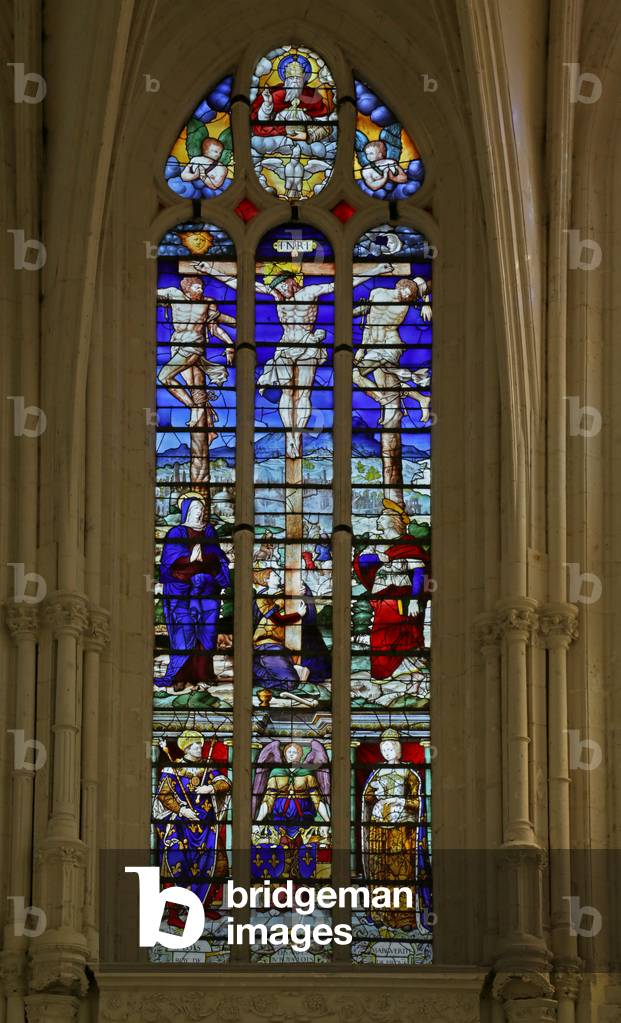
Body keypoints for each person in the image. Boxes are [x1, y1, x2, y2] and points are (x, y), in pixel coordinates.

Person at [153, 730, 231, 914]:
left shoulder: (208, 768)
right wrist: (182, 810)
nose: (200, 747)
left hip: (205, 825)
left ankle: (204, 905)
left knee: (213, 864)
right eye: (196, 744)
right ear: (186, 748)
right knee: (176, 863)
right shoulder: (173, 768)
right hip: (181, 826)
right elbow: (164, 795)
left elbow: (226, 783)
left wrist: (210, 788)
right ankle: (174, 911)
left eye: (200, 744)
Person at [157, 495, 231, 691]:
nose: (200, 511)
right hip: (181, 592)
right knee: (184, 631)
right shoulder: (176, 532)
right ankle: (180, 676)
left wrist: (205, 558)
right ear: (187, 511)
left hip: (207, 591)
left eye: (202, 508)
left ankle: (204, 674)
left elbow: (217, 557)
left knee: (207, 632)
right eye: (196, 508)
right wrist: (191, 557)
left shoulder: (209, 531)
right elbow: (169, 560)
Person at [353, 499, 429, 681]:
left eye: (382, 517)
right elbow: (360, 562)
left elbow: (419, 573)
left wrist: (413, 600)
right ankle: (383, 673)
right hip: (381, 596)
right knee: (379, 636)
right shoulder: (376, 544)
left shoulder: (408, 544)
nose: (378, 519)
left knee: (398, 634)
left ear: (393, 521)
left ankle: (403, 670)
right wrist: (381, 557)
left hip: (399, 597)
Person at [361, 728, 427, 929]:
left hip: (402, 829)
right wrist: (375, 797)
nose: (388, 752)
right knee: (379, 869)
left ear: (399, 749)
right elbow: (367, 799)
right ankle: (380, 914)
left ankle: (404, 917)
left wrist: (401, 802)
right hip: (378, 828)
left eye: (391, 748)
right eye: (384, 749)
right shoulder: (376, 773)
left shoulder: (410, 773)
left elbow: (418, 802)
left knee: (401, 871)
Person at [352, 275, 432, 426]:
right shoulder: (376, 292)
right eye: (407, 292)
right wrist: (361, 350)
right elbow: (369, 324)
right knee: (386, 385)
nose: (408, 297)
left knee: (356, 374)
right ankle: (421, 398)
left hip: (390, 343)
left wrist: (426, 304)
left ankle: (384, 401)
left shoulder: (405, 303)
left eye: (411, 296)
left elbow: (425, 283)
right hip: (373, 345)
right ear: (400, 285)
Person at [157, 276, 235, 428]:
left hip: (193, 346)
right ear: (187, 288)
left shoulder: (207, 304)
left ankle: (194, 407)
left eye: (201, 287)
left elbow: (215, 328)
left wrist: (230, 344)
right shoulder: (173, 294)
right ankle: (200, 411)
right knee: (193, 385)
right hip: (177, 345)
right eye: (197, 287)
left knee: (164, 377)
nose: (201, 290)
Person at [252, 739, 330, 881]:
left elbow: (317, 800)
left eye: (295, 752)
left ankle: (302, 884)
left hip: (304, 822)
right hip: (279, 822)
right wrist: (257, 821)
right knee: (279, 854)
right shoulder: (276, 772)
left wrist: (327, 821)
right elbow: (268, 799)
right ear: (284, 754)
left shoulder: (307, 773)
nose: (292, 755)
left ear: (300, 755)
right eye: (289, 752)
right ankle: (278, 884)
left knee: (304, 854)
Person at [252, 564, 330, 693]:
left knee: (293, 679)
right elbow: (278, 620)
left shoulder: (282, 592)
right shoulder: (262, 598)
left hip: (281, 646)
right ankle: (255, 671)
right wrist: (298, 614)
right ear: (266, 580)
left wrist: (304, 591)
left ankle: (258, 669)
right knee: (291, 683)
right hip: (267, 645)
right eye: (275, 576)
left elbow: (295, 594)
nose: (279, 577)